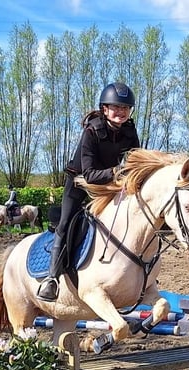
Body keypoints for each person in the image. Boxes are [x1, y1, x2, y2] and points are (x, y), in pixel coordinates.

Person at [37, 81, 140, 301]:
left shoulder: (129, 131)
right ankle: (52, 279)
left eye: (125, 108)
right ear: (105, 109)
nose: (121, 112)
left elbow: (136, 161)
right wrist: (119, 170)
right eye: (116, 107)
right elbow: (90, 174)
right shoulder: (92, 131)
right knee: (65, 224)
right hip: (80, 184)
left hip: (109, 185)